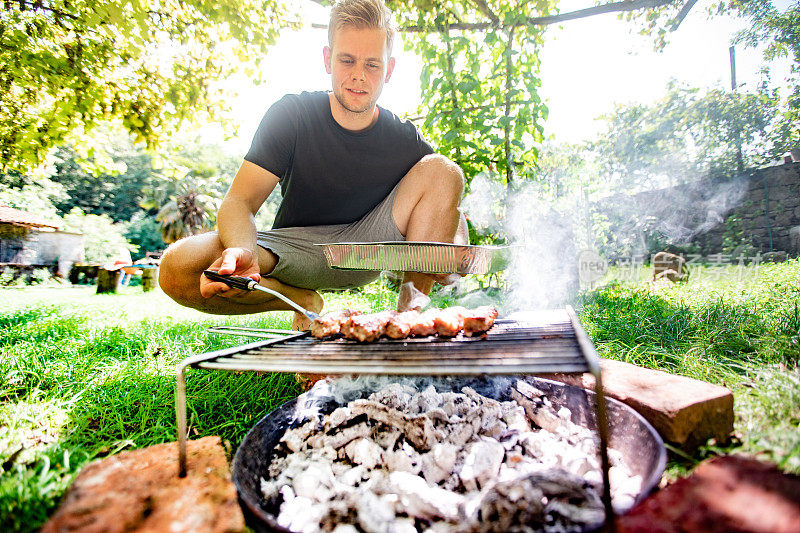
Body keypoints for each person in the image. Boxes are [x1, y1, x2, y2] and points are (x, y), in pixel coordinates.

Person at [158, 0, 467, 330]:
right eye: (347, 60)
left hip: (365, 250)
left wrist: (451, 252)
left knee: (444, 169)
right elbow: (239, 202)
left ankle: (408, 320)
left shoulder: (404, 139)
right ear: (328, 59)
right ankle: (304, 301)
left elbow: (446, 206)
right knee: (176, 268)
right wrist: (242, 250)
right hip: (295, 250)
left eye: (372, 65)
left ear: (389, 70)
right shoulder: (291, 115)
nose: (358, 76)